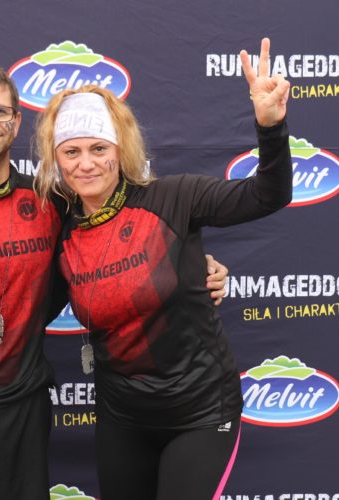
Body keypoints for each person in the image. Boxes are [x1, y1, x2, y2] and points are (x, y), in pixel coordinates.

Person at [0, 62, 229, 500]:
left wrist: (192, 267)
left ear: (16, 121)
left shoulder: (53, 204)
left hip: (23, 416)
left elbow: (120, 244)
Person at [34, 37, 291, 500]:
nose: (86, 164)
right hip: (122, 417)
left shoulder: (172, 198)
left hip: (201, 412)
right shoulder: (60, 226)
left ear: (120, 150)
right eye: (71, 152)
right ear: (56, 159)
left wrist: (270, 128)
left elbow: (265, 196)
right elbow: (28, 301)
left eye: (99, 148)